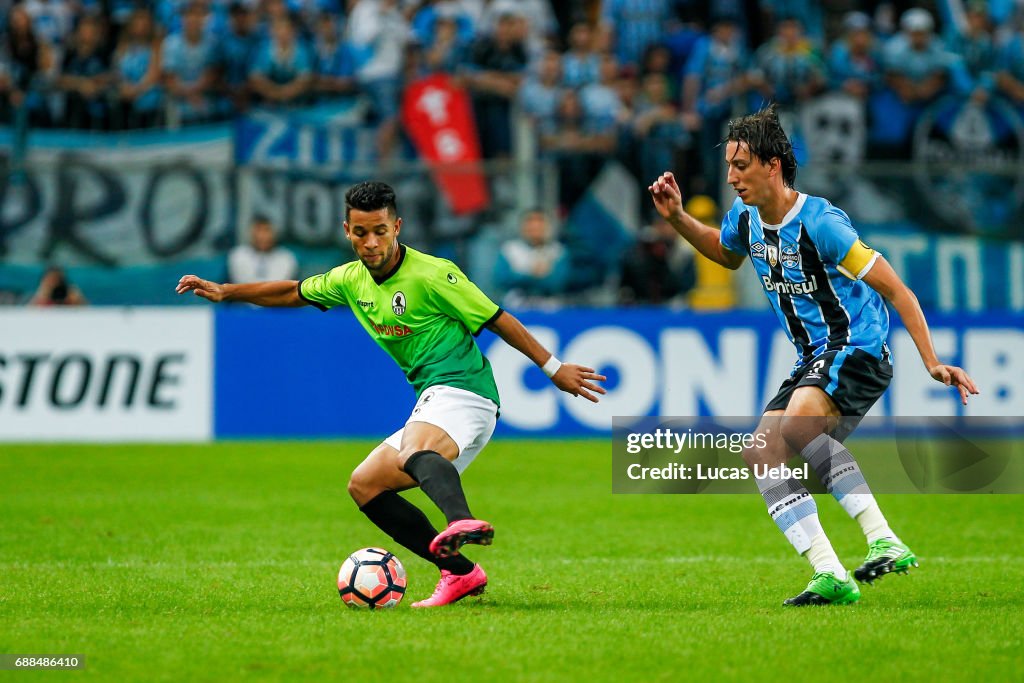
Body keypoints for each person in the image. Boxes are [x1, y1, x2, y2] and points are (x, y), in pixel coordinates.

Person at [177, 181, 606, 607]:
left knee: (413, 449)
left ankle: (461, 521)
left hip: (464, 390)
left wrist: (553, 368)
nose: (370, 242)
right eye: (360, 232)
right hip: (434, 397)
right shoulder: (349, 280)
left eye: (379, 230)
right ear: (347, 231)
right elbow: (294, 292)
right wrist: (225, 291)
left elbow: (498, 319)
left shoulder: (435, 273)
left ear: (396, 226)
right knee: (364, 485)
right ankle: (460, 574)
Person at [648, 105, 979, 607]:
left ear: (772, 165)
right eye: (730, 167)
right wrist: (676, 218)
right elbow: (724, 252)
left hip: (857, 348)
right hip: (813, 359)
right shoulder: (745, 218)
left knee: (800, 426)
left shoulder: (823, 224)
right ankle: (831, 573)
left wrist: (931, 361)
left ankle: (883, 538)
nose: (732, 177)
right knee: (761, 453)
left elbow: (898, 291)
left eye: (741, 166)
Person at [227, 216, 299, 284]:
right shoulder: (238, 255)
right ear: (250, 233)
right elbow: (242, 285)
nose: (262, 236)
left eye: (266, 230)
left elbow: (279, 286)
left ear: (275, 233)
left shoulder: (286, 257)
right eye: (258, 230)